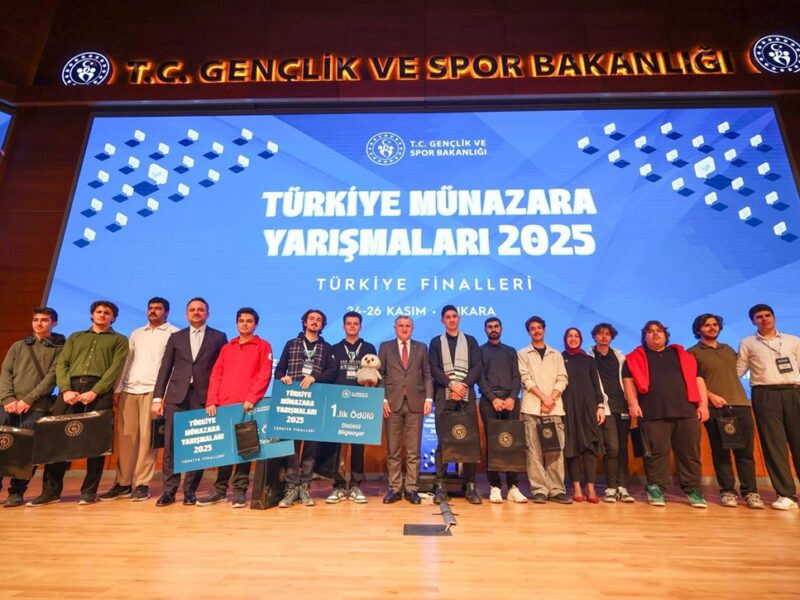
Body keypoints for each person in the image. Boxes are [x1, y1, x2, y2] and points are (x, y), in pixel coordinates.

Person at [29, 301, 128, 506]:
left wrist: (95, 391)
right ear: (92, 315)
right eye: (98, 311)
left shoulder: (120, 340)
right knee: (57, 440)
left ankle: (89, 491)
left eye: (107, 312)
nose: (102, 315)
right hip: (70, 390)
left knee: (97, 443)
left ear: (113, 318)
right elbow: (63, 364)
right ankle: (51, 491)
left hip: (99, 392)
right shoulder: (75, 337)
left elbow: (115, 369)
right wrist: (65, 389)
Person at [623, 320, 709, 508]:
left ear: (665, 335)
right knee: (655, 454)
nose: (655, 334)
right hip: (652, 412)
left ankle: (693, 490)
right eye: (650, 331)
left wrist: (703, 405)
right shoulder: (634, 358)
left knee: (689, 454)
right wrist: (633, 404)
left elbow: (698, 380)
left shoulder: (684, 356)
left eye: (659, 330)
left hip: (686, 412)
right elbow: (628, 382)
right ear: (644, 337)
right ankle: (655, 488)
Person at [99, 297, 178, 503]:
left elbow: (173, 368)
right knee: (126, 439)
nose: (153, 311)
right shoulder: (136, 333)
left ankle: (142, 484)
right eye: (150, 308)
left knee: (147, 440)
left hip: (154, 392)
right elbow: (126, 362)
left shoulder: (174, 333)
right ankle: (123, 483)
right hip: (130, 390)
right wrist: (118, 388)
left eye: (158, 309)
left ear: (166, 312)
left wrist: (163, 395)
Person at [152, 297, 227, 507]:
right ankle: (168, 491)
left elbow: (223, 369)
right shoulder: (176, 337)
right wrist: (158, 398)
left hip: (203, 398)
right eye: (192, 310)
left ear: (207, 314)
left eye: (200, 310)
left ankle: (190, 491)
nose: (196, 312)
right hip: (176, 397)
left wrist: (217, 398)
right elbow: (165, 368)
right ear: (186, 314)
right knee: (171, 446)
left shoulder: (218, 337)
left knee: (198, 446)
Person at [198, 307, 272, 508]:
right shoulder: (227, 347)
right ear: (237, 323)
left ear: (256, 324)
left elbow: (264, 375)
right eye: (241, 320)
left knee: (244, 450)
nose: (245, 324)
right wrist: (212, 400)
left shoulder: (263, 346)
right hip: (224, 406)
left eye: (249, 321)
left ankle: (239, 491)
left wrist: (252, 398)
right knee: (224, 450)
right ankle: (220, 491)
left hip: (247, 407)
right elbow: (217, 374)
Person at [688, 313, 764, 509]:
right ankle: (728, 491)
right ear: (698, 329)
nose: (712, 328)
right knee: (721, 452)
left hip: (741, 405)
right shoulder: (693, 353)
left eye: (715, 324)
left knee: (745, 453)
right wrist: (710, 396)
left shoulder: (729, 349)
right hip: (715, 408)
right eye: (706, 325)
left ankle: (750, 492)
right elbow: (692, 381)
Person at [737, 303, 800, 511]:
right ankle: (786, 494)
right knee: (774, 446)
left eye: (767, 315)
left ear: (774, 317)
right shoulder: (747, 343)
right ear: (753, 321)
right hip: (764, 394)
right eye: (759, 317)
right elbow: (738, 370)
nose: (765, 319)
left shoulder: (793, 340)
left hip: (794, 392)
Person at [0, 307, 64, 507]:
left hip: (36, 406)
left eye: (44, 320)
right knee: (2, 446)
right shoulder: (18, 345)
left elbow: (51, 379)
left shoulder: (58, 349)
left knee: (26, 452)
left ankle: (17, 492)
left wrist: (28, 400)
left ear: (54, 323)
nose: (39, 323)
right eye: (36, 319)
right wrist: (8, 398)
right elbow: (6, 372)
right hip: (8, 405)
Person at [274, 308, 337, 508]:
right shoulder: (291, 344)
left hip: (314, 403)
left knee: (311, 447)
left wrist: (315, 377)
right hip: (293, 402)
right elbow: (279, 370)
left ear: (322, 325)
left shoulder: (327, 348)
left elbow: (332, 372)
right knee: (291, 447)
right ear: (304, 322)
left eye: (319, 320)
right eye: (311, 319)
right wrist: (283, 377)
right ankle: (291, 487)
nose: (315, 322)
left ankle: (305, 486)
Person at [429, 305, 483, 504]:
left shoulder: (471, 341)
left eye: (454, 316)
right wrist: (452, 385)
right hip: (444, 396)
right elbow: (434, 368)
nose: (451, 320)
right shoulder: (436, 342)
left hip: (466, 397)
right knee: (443, 441)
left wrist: (463, 386)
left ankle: (470, 485)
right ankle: (440, 485)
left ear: (459, 318)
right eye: (447, 317)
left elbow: (477, 366)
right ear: (442, 321)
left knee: (469, 440)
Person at [379, 315, 433, 504]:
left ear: (412, 328)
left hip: (416, 403)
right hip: (391, 404)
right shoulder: (385, 347)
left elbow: (427, 374)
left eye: (407, 326)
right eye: (401, 325)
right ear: (395, 328)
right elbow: (380, 374)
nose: (404, 329)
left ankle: (412, 489)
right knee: (393, 450)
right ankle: (394, 488)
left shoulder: (421, 347)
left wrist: (429, 398)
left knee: (413, 451)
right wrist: (382, 399)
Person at [517, 316, 570, 504]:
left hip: (554, 409)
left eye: (539, 328)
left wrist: (551, 398)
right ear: (528, 332)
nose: (536, 331)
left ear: (544, 330)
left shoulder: (556, 354)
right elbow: (525, 378)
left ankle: (556, 489)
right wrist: (543, 398)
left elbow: (563, 378)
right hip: (532, 408)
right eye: (533, 328)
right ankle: (539, 489)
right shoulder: (522, 354)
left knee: (555, 450)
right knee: (534, 451)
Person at [325, 311, 376, 505]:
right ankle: (338, 486)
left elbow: (375, 373)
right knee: (338, 446)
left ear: (360, 326)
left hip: (361, 402)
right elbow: (330, 375)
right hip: (339, 403)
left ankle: (355, 485)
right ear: (343, 326)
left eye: (356, 323)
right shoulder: (335, 349)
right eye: (349, 323)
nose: (352, 326)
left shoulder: (369, 348)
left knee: (358, 445)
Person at [477, 317, 526, 503]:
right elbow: (480, 379)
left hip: (510, 401)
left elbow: (516, 377)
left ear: (501, 328)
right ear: (485, 330)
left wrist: (512, 397)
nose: (493, 329)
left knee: (512, 443)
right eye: (489, 327)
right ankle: (495, 486)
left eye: (496, 326)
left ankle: (513, 486)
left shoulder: (510, 351)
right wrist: (493, 399)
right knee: (493, 443)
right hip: (489, 401)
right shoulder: (480, 351)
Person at [588, 323, 635, 503]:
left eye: (607, 334)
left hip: (622, 406)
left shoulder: (619, 356)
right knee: (612, 448)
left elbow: (627, 381)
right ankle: (610, 487)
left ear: (612, 337)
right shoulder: (589, 357)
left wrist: (631, 403)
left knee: (622, 448)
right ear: (594, 336)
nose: (604, 336)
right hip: (605, 408)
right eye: (600, 333)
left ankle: (622, 487)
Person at [562, 328, 606, 503]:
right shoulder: (559, 358)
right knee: (571, 447)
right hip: (568, 407)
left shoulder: (589, 360)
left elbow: (596, 385)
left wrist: (600, 405)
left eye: (576, 336)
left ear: (580, 339)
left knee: (590, 448)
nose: (573, 339)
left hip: (588, 408)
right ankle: (576, 486)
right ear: (565, 339)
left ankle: (591, 487)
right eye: (570, 336)